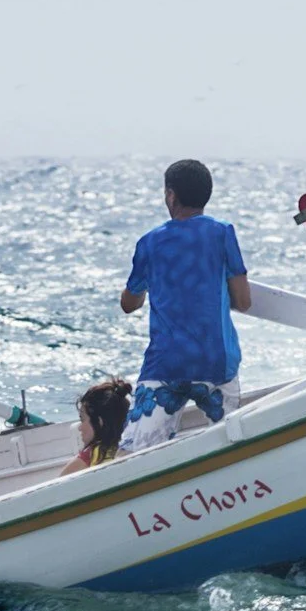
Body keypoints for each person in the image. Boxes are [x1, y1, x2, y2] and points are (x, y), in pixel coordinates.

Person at [118, 158, 252, 450]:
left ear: (171, 195)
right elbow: (243, 302)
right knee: (232, 443)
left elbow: (129, 304)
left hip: (165, 366)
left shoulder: (149, 243)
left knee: (133, 452)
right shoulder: (223, 232)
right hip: (216, 365)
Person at [58, 377, 134, 477]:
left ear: (99, 422)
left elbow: (60, 482)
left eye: (83, 419)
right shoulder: (134, 444)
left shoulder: (89, 456)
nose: (80, 428)